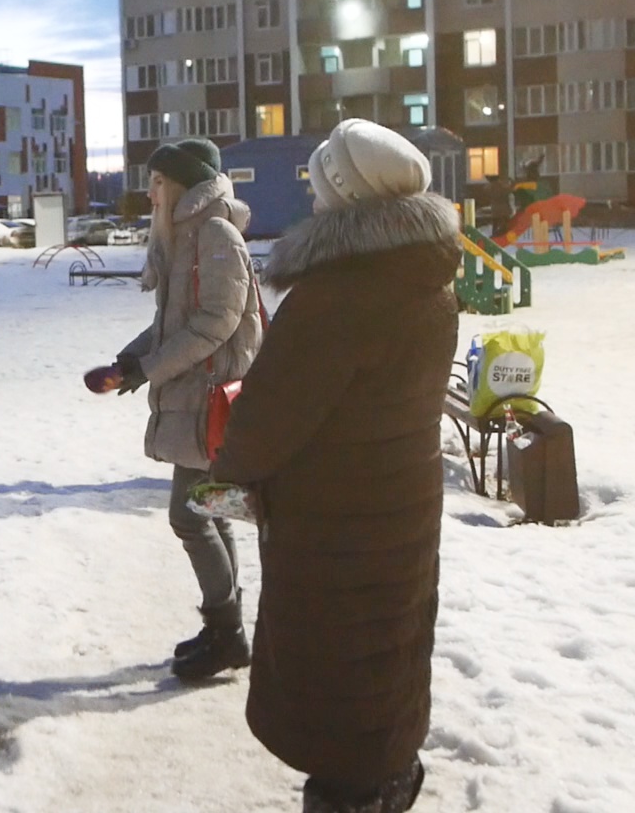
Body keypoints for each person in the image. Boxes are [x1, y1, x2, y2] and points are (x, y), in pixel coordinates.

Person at [212, 119, 460, 813]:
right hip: (401, 498)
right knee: (390, 642)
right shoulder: (425, 276)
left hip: (336, 515)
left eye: (320, 182)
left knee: (337, 659)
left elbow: (272, 414)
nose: (312, 193)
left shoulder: (339, 294)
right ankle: (388, 771)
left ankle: (353, 792)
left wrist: (222, 480)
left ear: (346, 193)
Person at [88, 138, 262, 682]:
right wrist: (130, 360)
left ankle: (227, 629)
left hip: (213, 401)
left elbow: (217, 322)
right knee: (208, 511)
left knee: (189, 515)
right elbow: (173, 325)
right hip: (197, 398)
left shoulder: (215, 235)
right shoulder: (187, 236)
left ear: (182, 186)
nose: (149, 191)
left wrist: (149, 368)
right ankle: (226, 631)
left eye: (157, 182)